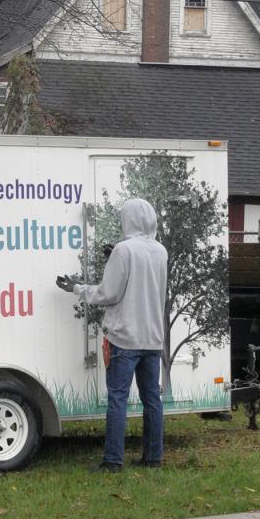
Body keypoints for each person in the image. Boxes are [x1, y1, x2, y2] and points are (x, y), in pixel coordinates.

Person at [56, 199, 168, 472]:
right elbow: (143, 281)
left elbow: (109, 293)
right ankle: (153, 457)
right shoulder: (160, 251)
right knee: (152, 400)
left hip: (124, 338)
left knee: (117, 399)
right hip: (152, 337)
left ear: (129, 220)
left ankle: (113, 461)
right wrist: (114, 259)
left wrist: (78, 288)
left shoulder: (124, 250)